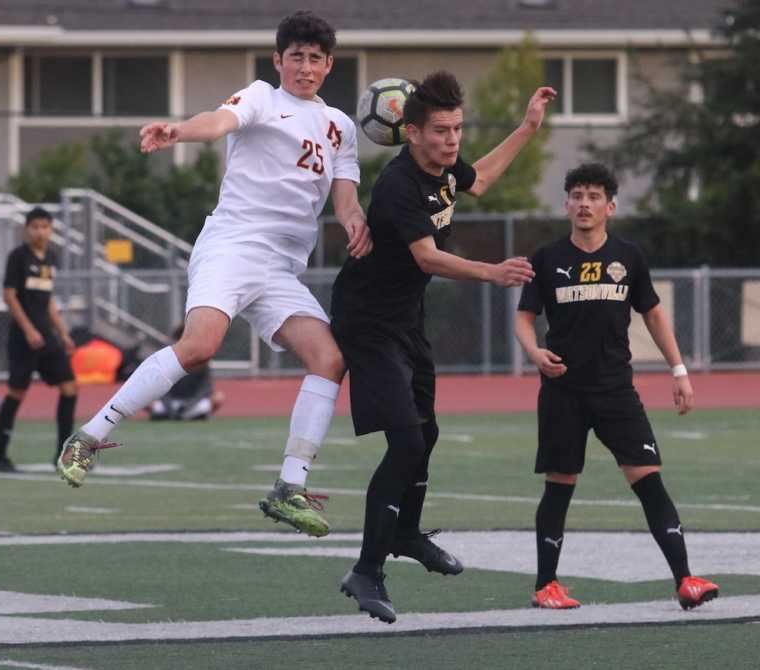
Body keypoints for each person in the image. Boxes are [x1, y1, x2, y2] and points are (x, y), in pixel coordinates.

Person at [56, 11, 371, 539]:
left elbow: (346, 200)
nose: (305, 67)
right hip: (231, 245)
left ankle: (290, 487)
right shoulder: (260, 97)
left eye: (316, 58)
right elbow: (217, 121)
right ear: (278, 61)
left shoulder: (340, 126)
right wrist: (179, 131)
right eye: (296, 56)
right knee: (201, 345)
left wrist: (360, 226)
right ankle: (87, 436)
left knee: (330, 358)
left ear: (329, 65)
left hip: (280, 268)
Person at [331, 71, 556, 623]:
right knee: (407, 444)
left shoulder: (445, 166)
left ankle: (405, 531)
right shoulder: (399, 184)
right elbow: (428, 258)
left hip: (405, 320)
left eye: (457, 128)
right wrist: (492, 271)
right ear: (410, 133)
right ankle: (366, 570)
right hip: (367, 323)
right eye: (440, 131)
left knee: (426, 435)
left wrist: (527, 127)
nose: (452, 140)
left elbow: (480, 180)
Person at [515, 163, 719, 611]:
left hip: (615, 392)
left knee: (649, 480)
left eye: (593, 196)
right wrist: (533, 352)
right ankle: (546, 585)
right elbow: (525, 316)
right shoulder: (547, 258)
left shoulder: (628, 256)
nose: (584, 204)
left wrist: (679, 371)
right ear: (566, 203)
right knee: (559, 484)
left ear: (610, 206)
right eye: (577, 195)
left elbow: (653, 314)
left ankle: (685, 580)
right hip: (563, 391)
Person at [0, 207, 77, 471]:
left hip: (47, 337)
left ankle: (62, 454)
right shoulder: (18, 257)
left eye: (45, 226)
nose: (40, 231)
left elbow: (48, 299)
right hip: (24, 338)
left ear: (51, 230)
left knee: (69, 387)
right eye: (35, 226)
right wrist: (29, 330)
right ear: (27, 229)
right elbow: (9, 296)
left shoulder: (50, 258)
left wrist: (62, 332)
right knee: (17, 392)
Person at [147, 325, 225, 421]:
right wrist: (169, 406)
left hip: (193, 403)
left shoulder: (201, 360)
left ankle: (190, 414)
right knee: (145, 400)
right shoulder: (167, 359)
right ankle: (176, 415)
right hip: (169, 403)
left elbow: (206, 389)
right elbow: (159, 388)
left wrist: (190, 404)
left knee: (218, 398)